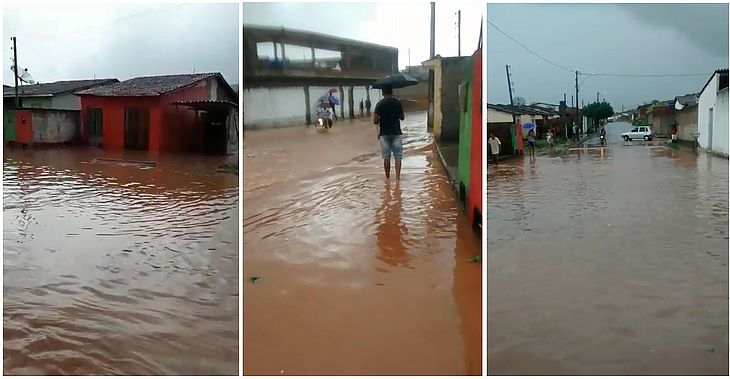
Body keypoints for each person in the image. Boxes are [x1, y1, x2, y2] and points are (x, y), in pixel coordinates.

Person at [373, 86, 404, 180]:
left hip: (384, 134)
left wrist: (380, 118)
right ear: (392, 92)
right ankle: (398, 178)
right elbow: (402, 117)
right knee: (398, 157)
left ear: (383, 93)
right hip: (396, 133)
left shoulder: (379, 104)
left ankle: (387, 178)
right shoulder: (397, 103)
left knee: (386, 157)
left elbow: (375, 121)